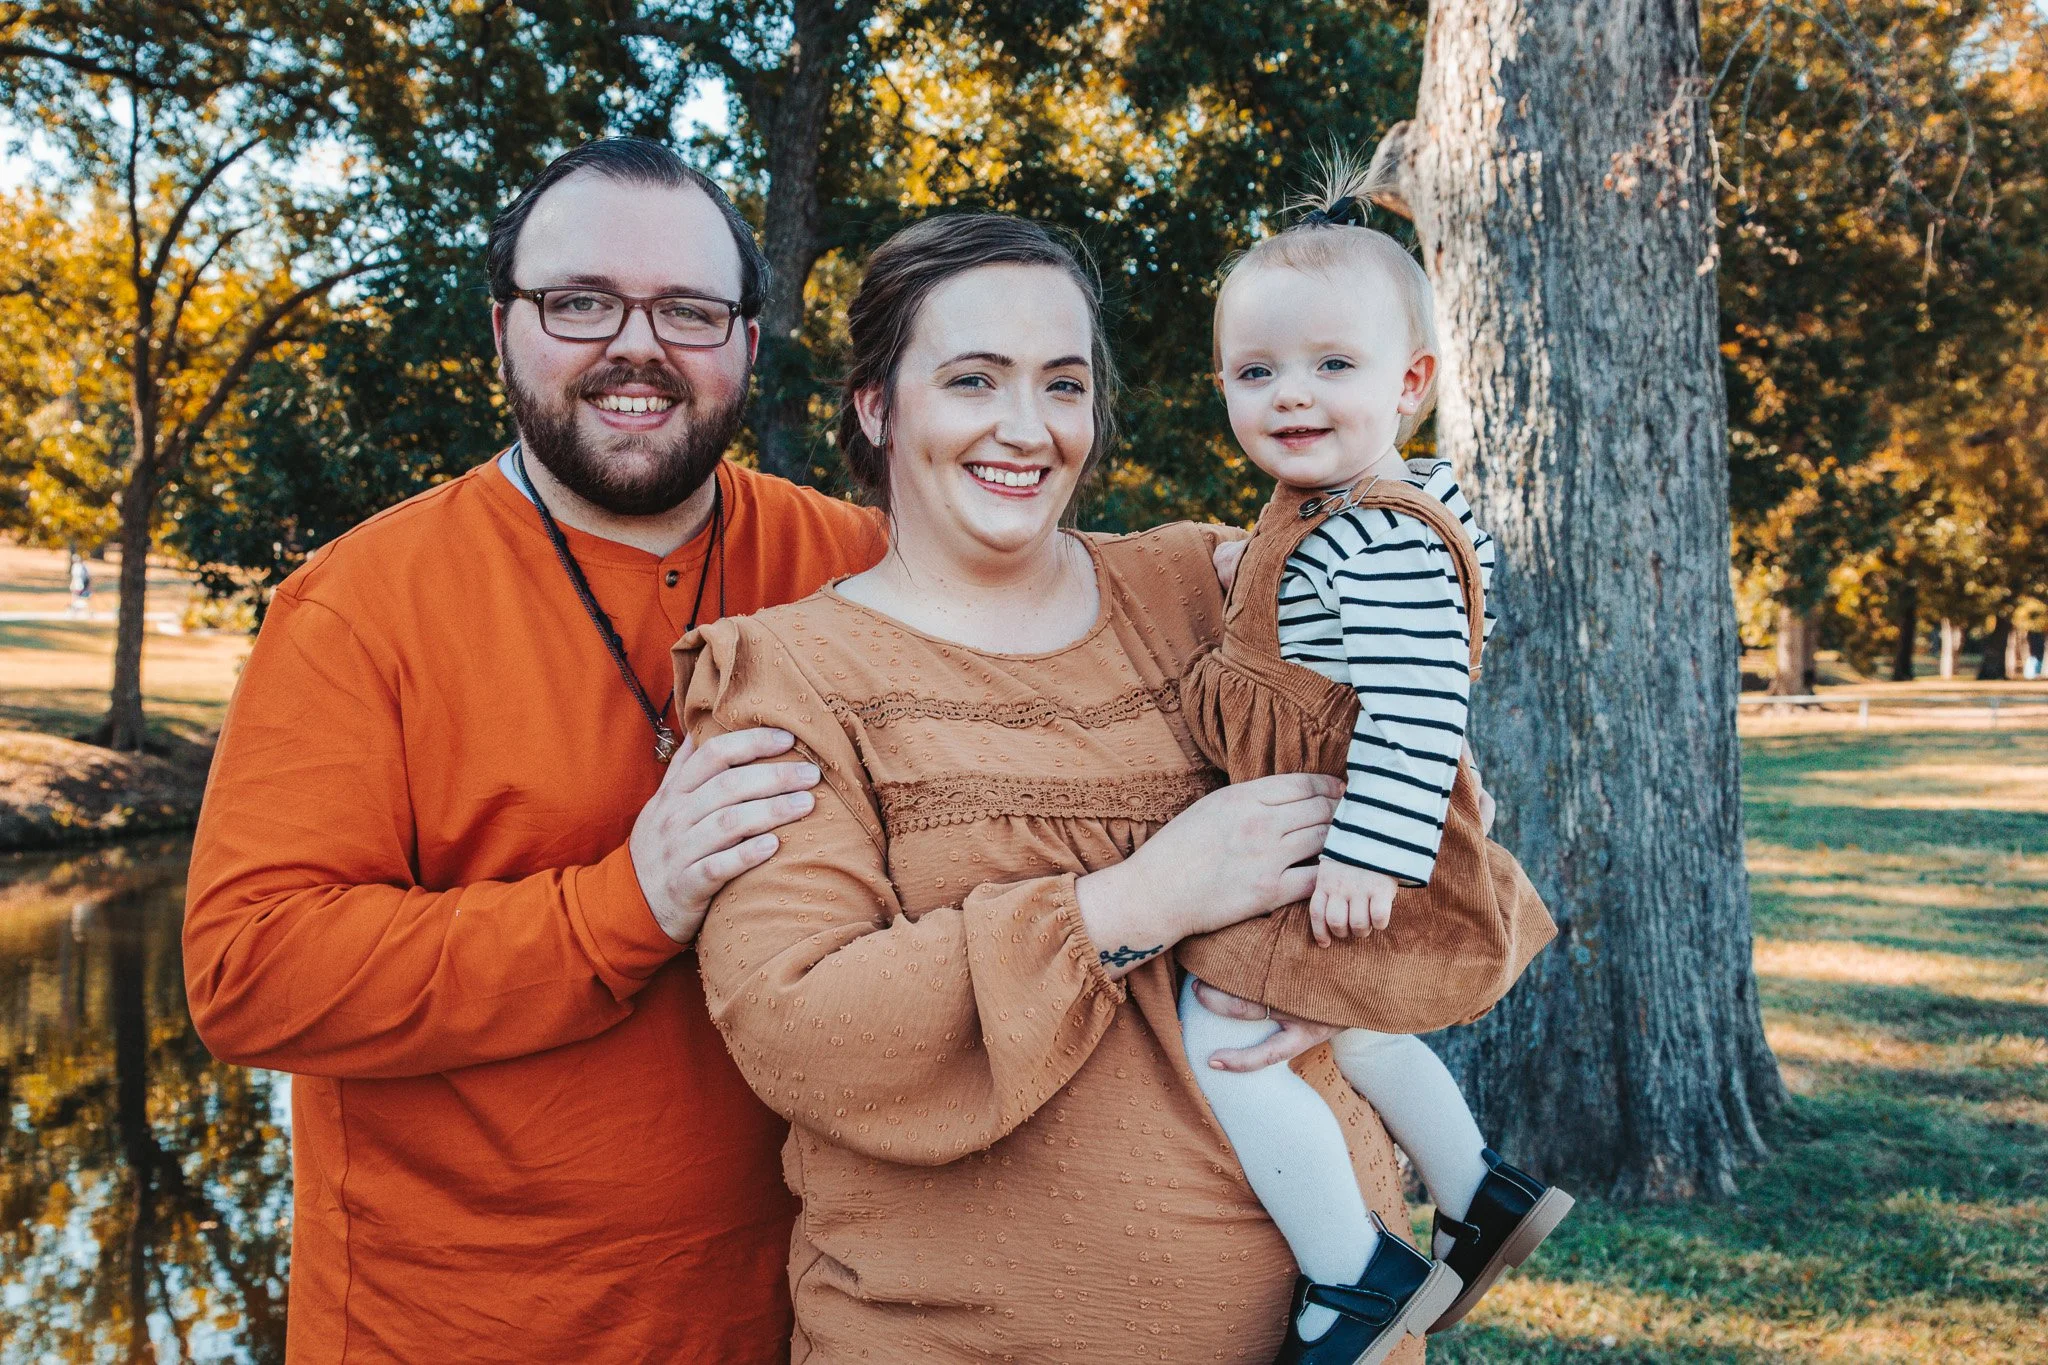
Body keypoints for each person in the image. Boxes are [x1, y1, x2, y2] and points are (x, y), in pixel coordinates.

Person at [675, 211, 1522, 1362]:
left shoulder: (1210, 585)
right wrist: (1133, 903)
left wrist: (1359, 965)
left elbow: (1431, 775)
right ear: (877, 406)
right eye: (973, 379)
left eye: (1062, 385)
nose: (1026, 429)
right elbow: (802, 1026)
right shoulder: (790, 676)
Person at [183, 138, 884, 1362]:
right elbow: (250, 971)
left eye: (690, 309)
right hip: (453, 1326)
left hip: (798, 1315)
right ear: (501, 327)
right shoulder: (360, 603)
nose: (638, 345)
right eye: (580, 303)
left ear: (749, 345)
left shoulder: (859, 569)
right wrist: (626, 903)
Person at [1175, 157, 1569, 1364]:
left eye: (1330, 367)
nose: (1289, 395)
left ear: (1408, 384)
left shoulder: (1381, 538)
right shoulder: (1320, 516)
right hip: (1336, 820)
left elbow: (1411, 708)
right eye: (1257, 372)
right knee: (1351, 1030)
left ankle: (1352, 1274)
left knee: (1225, 1036)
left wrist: (1367, 855)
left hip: (1348, 834)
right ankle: (1479, 1194)